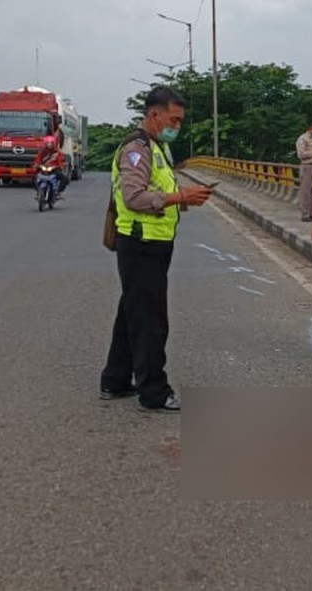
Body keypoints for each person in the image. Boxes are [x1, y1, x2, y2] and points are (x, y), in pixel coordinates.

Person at [100, 86, 214, 413]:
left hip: (153, 241)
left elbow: (159, 188)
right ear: (154, 114)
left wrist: (183, 196)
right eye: (173, 120)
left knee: (132, 311)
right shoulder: (137, 150)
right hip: (141, 243)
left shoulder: (157, 146)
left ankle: (116, 379)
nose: (177, 126)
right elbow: (135, 197)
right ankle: (154, 391)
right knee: (150, 319)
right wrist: (180, 197)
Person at [31, 135, 64, 202]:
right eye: (47, 143)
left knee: (64, 179)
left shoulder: (57, 152)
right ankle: (38, 192)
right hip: (43, 168)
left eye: (50, 143)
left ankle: (58, 192)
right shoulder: (42, 152)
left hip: (54, 169)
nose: (49, 145)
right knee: (34, 178)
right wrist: (37, 166)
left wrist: (59, 166)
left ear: (53, 143)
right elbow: (37, 160)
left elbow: (61, 162)